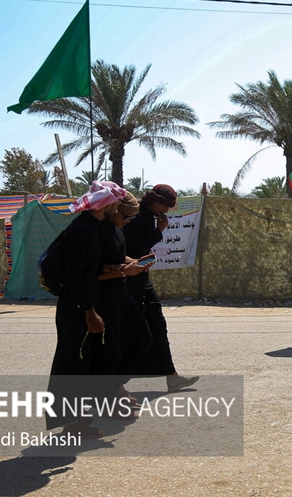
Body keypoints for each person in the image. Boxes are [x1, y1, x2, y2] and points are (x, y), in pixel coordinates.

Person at [46, 181, 127, 439]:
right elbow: (74, 275)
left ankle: (78, 420)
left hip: (81, 305)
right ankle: (72, 424)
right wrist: (88, 310)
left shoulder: (90, 226)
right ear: (107, 203)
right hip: (76, 308)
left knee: (86, 362)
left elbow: (87, 268)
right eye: (115, 202)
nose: (117, 207)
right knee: (72, 364)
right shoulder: (83, 229)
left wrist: (109, 268)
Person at [123, 184, 199, 392]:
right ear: (152, 200)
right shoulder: (139, 217)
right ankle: (113, 385)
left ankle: (171, 376)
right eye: (163, 205)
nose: (165, 210)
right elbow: (137, 251)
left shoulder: (148, 216)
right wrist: (159, 232)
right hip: (130, 282)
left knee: (156, 324)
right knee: (137, 332)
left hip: (141, 279)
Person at [98, 191, 154, 412]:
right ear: (113, 210)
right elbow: (92, 271)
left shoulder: (117, 231)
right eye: (126, 217)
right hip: (102, 299)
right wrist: (124, 272)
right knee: (110, 350)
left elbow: (119, 258)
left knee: (143, 337)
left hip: (121, 296)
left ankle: (113, 386)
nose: (127, 222)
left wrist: (135, 262)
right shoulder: (95, 231)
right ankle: (110, 393)